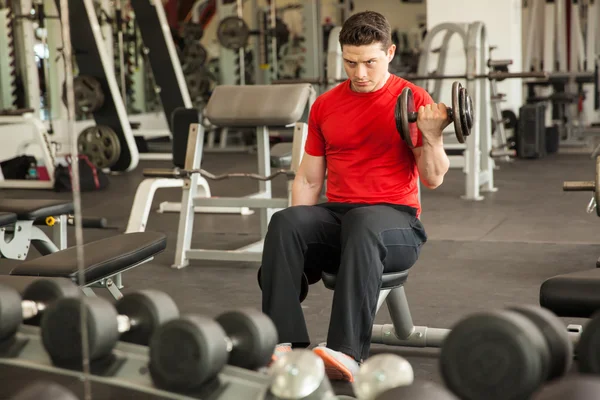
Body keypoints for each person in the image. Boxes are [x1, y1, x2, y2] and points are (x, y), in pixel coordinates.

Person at [259, 11, 451, 382]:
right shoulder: (327, 105)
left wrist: (432, 135)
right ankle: (285, 344)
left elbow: (434, 178)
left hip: (396, 223)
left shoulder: (412, 99)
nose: (359, 73)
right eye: (351, 62)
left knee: (365, 221)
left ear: (390, 52)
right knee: (285, 222)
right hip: (341, 219)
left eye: (369, 63)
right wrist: (300, 249)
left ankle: (346, 353)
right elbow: (309, 180)